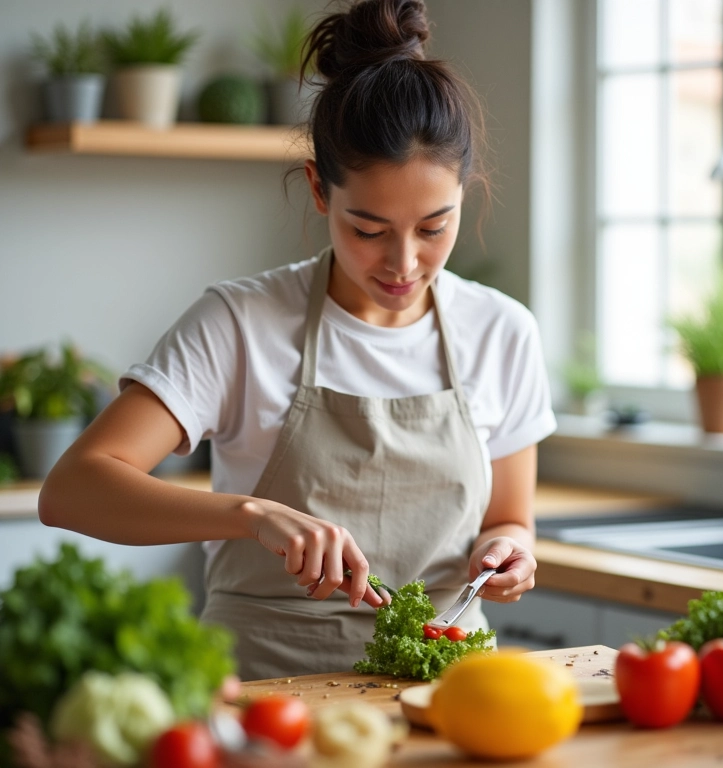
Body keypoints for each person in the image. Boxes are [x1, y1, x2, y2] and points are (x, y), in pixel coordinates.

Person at [39, 0, 556, 682]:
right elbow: (71, 489)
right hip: (268, 703)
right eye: (369, 229)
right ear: (319, 189)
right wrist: (252, 515)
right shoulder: (240, 323)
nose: (403, 262)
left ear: (465, 193)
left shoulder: (503, 332)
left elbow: (512, 519)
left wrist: (510, 550)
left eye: (434, 227)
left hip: (450, 697)